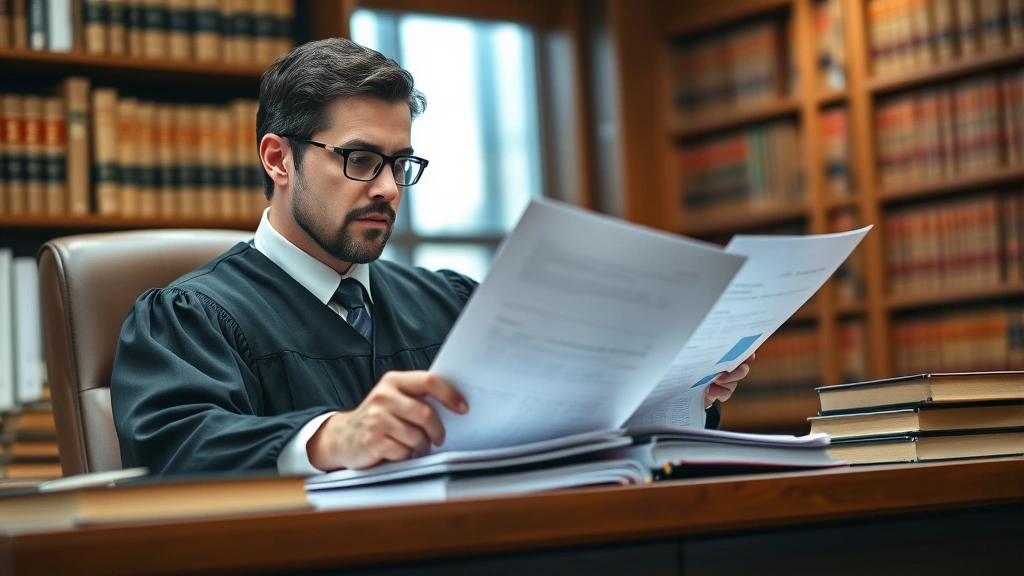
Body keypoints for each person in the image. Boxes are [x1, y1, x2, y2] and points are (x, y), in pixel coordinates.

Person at [110, 37, 751, 476]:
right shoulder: (191, 315)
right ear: (279, 159)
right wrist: (332, 438)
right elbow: (174, 447)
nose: (387, 188)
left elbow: (559, 418)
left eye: (400, 164)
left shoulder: (450, 302)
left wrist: (682, 390)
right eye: (359, 159)